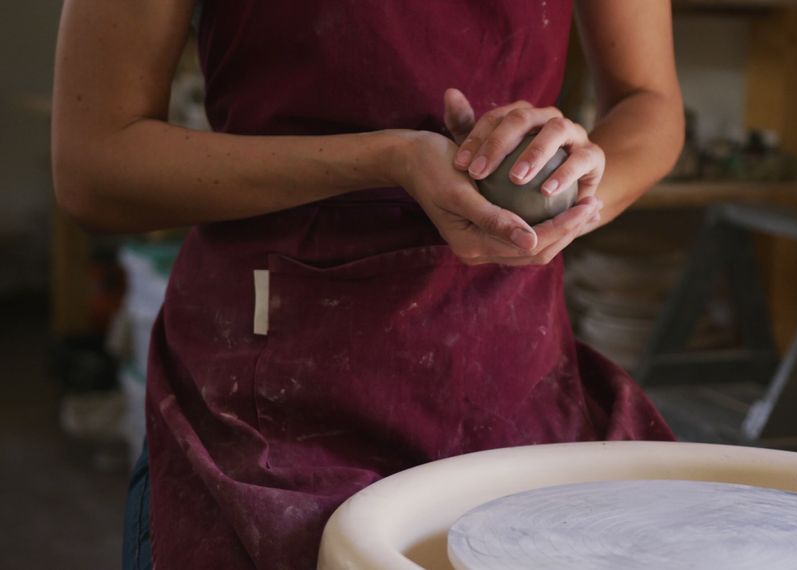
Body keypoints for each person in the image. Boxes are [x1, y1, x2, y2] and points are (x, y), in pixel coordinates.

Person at [52, 1, 685, 568]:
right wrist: (387, 158)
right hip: (268, 402)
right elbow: (95, 166)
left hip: (512, 373)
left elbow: (647, 101)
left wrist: (575, 192)